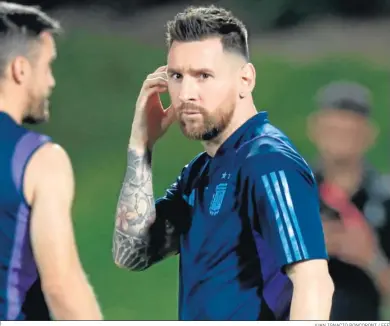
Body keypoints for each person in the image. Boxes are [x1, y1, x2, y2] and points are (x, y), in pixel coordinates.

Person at [113, 5, 334, 321]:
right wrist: (140, 147)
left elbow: (313, 282)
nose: (187, 93)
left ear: (245, 80)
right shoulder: (200, 172)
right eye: (177, 76)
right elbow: (131, 255)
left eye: (203, 75)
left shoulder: (268, 161)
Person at [0, 2, 102, 320]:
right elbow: (62, 287)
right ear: (20, 69)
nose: (52, 82)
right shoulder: (39, 159)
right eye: (47, 66)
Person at [308, 81, 390, 320]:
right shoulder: (289, 195)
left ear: (368, 136)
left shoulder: (383, 198)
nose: (341, 141)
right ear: (315, 130)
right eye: (333, 131)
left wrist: (370, 258)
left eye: (350, 133)